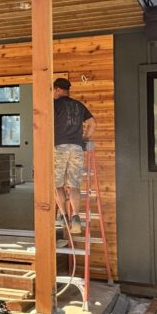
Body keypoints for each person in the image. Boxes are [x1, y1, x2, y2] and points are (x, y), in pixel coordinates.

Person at [53, 78, 96, 233]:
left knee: (56, 184)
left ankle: (63, 216)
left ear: (57, 89)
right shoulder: (79, 105)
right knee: (74, 185)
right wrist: (84, 139)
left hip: (59, 147)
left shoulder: (55, 104)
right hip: (77, 148)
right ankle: (76, 217)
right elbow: (92, 124)